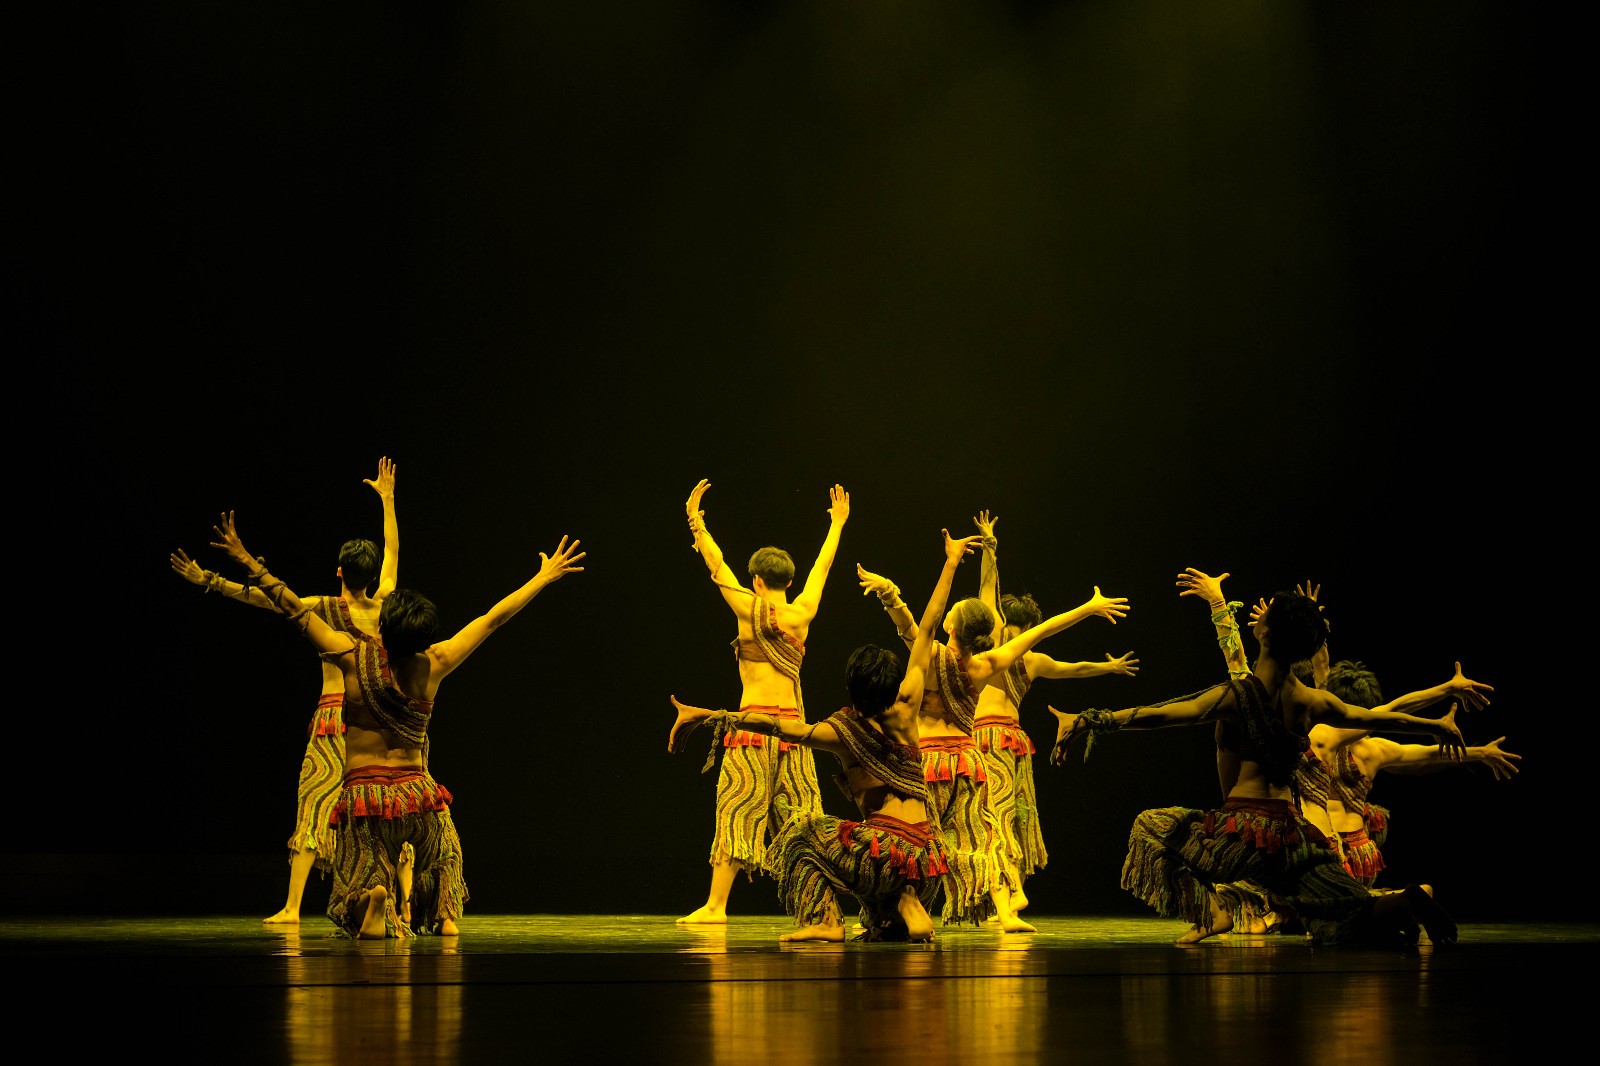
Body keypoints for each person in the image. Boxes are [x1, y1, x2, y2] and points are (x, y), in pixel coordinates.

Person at [202, 510, 585, 938]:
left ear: (383, 626)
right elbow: (493, 618)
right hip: (418, 798)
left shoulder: (351, 658)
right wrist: (542, 578)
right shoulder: (436, 663)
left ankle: (371, 899)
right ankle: (444, 915)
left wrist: (247, 560)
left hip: (365, 800)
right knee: (444, 852)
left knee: (356, 873)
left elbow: (291, 606)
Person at [1050, 587, 1493, 946]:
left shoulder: (1238, 695)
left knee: (1151, 827)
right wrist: (1434, 725)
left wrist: (1091, 720)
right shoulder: (1310, 700)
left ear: (1264, 635)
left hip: (1242, 833)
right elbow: (1373, 717)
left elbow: (1165, 714)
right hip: (1295, 837)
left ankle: (1214, 913)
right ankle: (1402, 901)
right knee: (1343, 913)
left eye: (1265, 618)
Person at [668, 530, 983, 942]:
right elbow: (926, 627)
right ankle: (906, 901)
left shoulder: (842, 731)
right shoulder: (908, 708)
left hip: (881, 857)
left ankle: (824, 919)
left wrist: (713, 716)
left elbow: (781, 728)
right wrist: (950, 563)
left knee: (796, 833)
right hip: (927, 864)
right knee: (835, 835)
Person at [168, 456, 398, 924]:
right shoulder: (386, 608)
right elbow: (393, 551)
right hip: (379, 718)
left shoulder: (320, 608)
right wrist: (388, 500)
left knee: (313, 803)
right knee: (383, 805)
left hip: (334, 719)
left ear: (339, 572)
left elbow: (267, 598)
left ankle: (293, 907)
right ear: (372, 576)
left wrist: (210, 580)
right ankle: (401, 901)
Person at [858, 536, 1129, 931]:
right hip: (969, 763)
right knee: (980, 837)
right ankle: (1004, 911)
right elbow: (1041, 631)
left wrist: (904, 588)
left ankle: (892, 910)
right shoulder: (986, 665)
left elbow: (922, 620)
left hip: (930, 762)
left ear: (952, 626)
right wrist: (1087, 608)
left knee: (911, 834)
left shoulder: (931, 654)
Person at [676, 479, 849, 925]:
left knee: (737, 809)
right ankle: (820, 909)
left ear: (756, 580)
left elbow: (716, 566)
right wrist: (837, 524)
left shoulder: (746, 608)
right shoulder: (803, 612)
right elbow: (823, 568)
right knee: (804, 819)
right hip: (794, 731)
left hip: (753, 728)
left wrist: (696, 523)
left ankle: (716, 907)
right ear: (789, 581)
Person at [968, 512, 1140, 920]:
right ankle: (1010, 895)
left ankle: (1009, 893)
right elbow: (1075, 668)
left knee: (992, 814)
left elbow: (986, 590)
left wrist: (990, 548)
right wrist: (1109, 667)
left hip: (988, 738)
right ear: (1030, 625)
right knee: (1012, 812)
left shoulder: (997, 646)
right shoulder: (1029, 657)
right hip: (1012, 739)